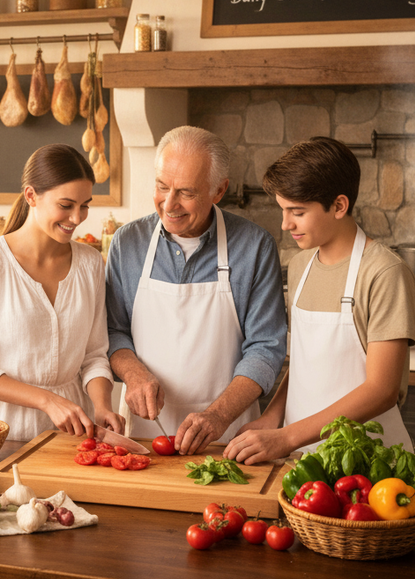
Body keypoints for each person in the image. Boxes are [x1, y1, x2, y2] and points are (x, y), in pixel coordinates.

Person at [223, 136, 415, 466]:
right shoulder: (300, 267)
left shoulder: (384, 273)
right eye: (283, 210)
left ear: (339, 206)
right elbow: (303, 363)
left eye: (297, 212)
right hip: (302, 459)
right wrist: (273, 417)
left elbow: (382, 390)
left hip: (367, 464)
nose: (286, 225)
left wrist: (285, 436)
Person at [106, 126, 287, 455]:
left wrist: (217, 416)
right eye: (162, 186)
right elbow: (112, 330)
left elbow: (266, 348)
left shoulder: (255, 246)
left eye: (186, 192)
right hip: (145, 438)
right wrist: (133, 374)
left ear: (219, 190)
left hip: (227, 438)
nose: (169, 204)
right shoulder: (127, 243)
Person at [0, 144, 124, 442]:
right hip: (0, 433)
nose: (77, 218)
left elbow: (94, 355)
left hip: (72, 434)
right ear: (31, 196)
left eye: (84, 205)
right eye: (66, 205)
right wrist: (47, 400)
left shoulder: (90, 262)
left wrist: (102, 406)